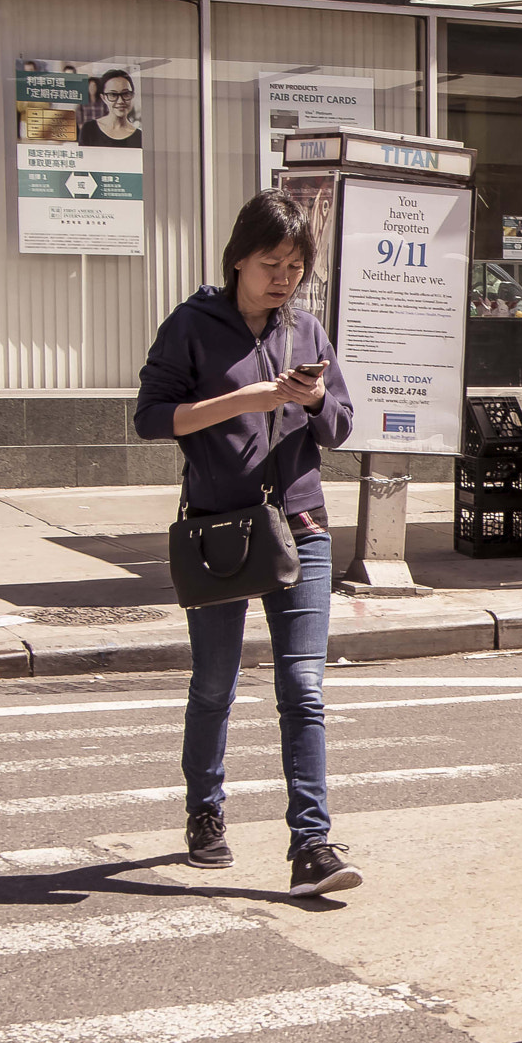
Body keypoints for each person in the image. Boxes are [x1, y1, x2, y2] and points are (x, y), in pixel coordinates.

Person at [134, 189, 358, 896]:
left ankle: (312, 844)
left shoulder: (307, 332)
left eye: (295, 265)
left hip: (301, 527)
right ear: (237, 260)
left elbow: (342, 425)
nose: (283, 278)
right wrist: (247, 400)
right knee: (215, 684)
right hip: (218, 531)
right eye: (270, 263)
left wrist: (315, 399)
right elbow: (151, 418)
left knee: (304, 687)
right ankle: (205, 809)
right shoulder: (192, 326)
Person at [78, 69, 141, 148]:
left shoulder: (139, 136)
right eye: (113, 95)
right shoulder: (89, 130)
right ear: (103, 98)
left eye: (125, 94)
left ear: (132, 95)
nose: (120, 101)